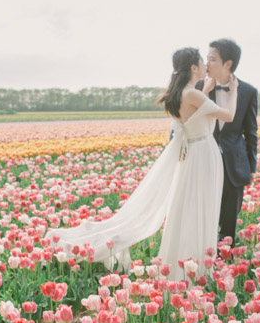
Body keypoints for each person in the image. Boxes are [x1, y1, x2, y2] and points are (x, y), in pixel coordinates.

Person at [46, 47, 238, 280]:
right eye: (202, 61)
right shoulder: (192, 94)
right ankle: (196, 269)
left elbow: (197, 112)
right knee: (199, 207)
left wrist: (206, 89)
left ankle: (187, 265)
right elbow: (228, 115)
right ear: (194, 68)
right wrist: (234, 90)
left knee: (190, 209)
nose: (206, 65)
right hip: (202, 155)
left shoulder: (181, 94)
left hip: (194, 155)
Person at [199, 39, 257, 244]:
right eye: (206, 59)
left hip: (235, 162)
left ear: (228, 64)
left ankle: (227, 259)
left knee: (230, 218)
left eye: (212, 59)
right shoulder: (198, 88)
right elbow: (185, 120)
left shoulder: (248, 91)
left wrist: (252, 166)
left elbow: (251, 132)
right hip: (204, 160)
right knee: (204, 213)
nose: (206, 64)